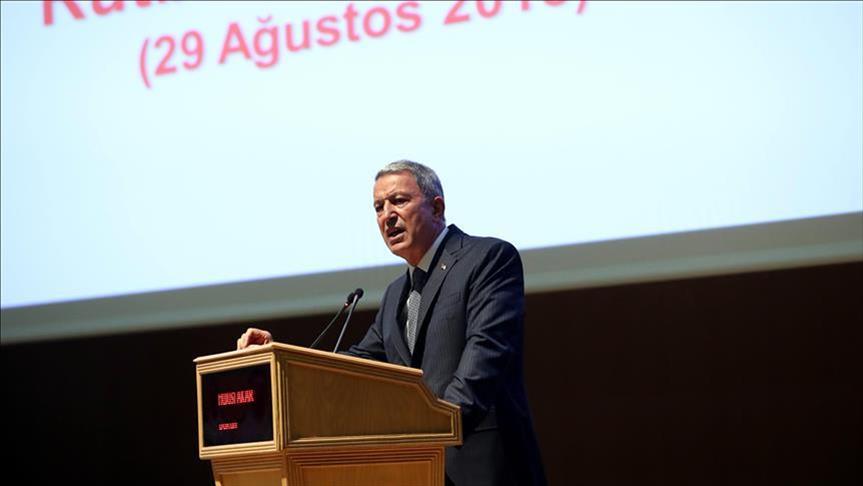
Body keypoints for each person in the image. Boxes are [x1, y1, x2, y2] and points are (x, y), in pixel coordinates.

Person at [238, 161, 546, 486]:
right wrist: (278, 357)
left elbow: (485, 353)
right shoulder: (396, 293)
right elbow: (356, 365)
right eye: (378, 207)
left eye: (399, 201)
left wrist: (433, 431)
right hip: (418, 469)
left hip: (483, 466)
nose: (387, 215)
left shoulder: (487, 259)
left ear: (437, 207)